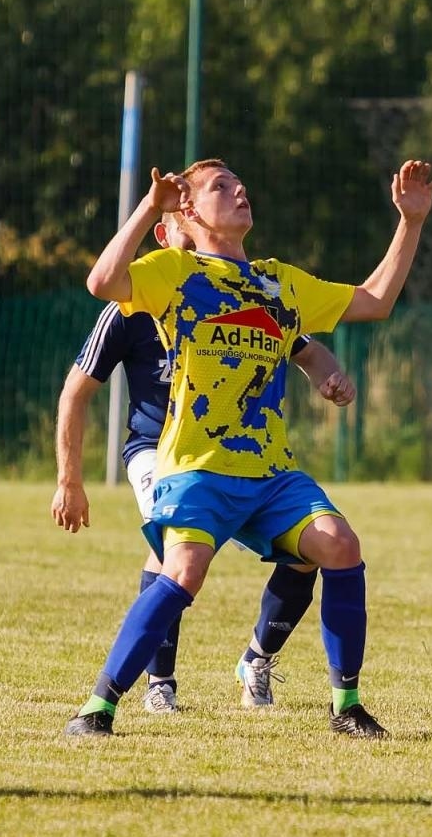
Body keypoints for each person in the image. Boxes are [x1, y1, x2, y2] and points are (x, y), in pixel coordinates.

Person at [65, 156, 432, 739]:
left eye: (240, 184)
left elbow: (375, 300)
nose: (240, 190)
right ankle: (98, 708)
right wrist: (148, 208)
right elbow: (101, 282)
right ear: (188, 209)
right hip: (197, 468)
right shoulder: (176, 272)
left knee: (339, 544)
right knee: (183, 571)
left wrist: (410, 222)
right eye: (221, 186)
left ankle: (347, 706)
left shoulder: (279, 282)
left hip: (269, 473)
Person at [51, 213, 355, 715]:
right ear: (164, 237)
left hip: (241, 456)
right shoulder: (134, 304)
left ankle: (258, 658)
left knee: (309, 551)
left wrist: (330, 376)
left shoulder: (230, 293)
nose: (193, 245)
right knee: (177, 555)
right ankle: (159, 680)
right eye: (183, 231)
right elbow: (75, 392)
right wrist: (69, 480)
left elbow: (305, 347)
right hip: (158, 451)